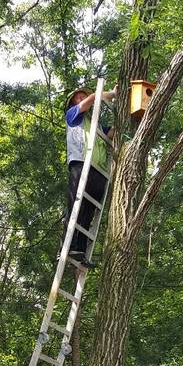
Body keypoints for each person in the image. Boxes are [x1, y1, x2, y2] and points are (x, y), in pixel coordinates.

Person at [64, 84, 117, 268]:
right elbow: (92, 98)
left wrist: (122, 111)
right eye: (78, 97)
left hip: (98, 170)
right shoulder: (73, 115)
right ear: (73, 102)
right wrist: (110, 94)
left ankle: (80, 250)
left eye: (82, 97)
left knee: (88, 211)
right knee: (76, 206)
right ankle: (69, 246)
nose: (81, 99)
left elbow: (111, 133)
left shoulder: (96, 125)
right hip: (80, 163)